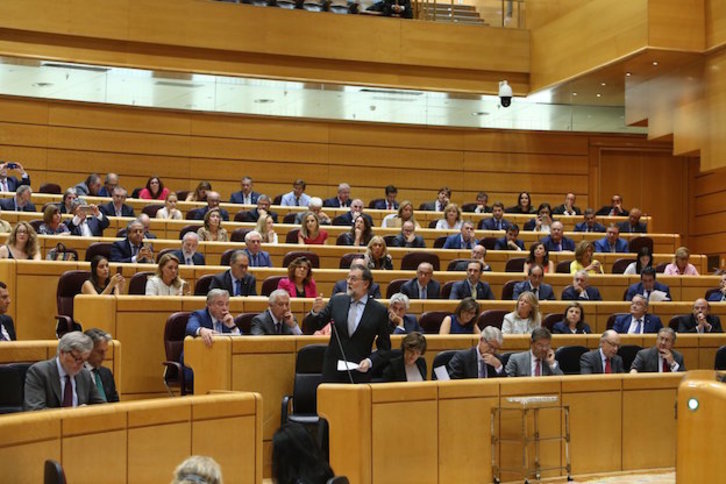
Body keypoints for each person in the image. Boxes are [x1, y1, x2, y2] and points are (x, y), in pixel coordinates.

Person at [303, 264, 391, 383]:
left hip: (359, 372)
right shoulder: (337, 301)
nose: (348, 282)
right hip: (332, 370)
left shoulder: (379, 311)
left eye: (353, 279)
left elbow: (384, 348)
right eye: (348, 278)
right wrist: (314, 313)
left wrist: (370, 362)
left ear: (366, 284)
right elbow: (313, 327)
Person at [23, 331, 105, 410]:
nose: (80, 365)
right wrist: (73, 413)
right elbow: (35, 410)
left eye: (84, 360)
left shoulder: (84, 374)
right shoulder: (39, 372)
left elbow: (101, 406)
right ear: (62, 353)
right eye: (77, 359)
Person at [83, 328, 119, 402]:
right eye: (100, 352)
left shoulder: (106, 373)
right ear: (87, 350)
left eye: (105, 351)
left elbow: (115, 402)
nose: (104, 357)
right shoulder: (77, 373)